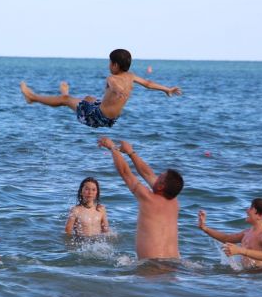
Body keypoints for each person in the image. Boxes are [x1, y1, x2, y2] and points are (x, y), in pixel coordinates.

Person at [20, 49, 181, 128]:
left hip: (98, 117)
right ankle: (67, 97)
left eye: (109, 62)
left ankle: (32, 98)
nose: (108, 65)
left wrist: (118, 90)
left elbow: (114, 85)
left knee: (66, 100)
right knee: (89, 98)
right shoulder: (131, 76)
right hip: (111, 118)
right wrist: (166, 89)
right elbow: (148, 83)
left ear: (115, 65)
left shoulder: (112, 78)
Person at [97, 136, 184, 259]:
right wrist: (131, 153)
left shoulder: (148, 198)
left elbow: (125, 172)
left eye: (160, 177)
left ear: (161, 186)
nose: (156, 176)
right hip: (175, 264)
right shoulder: (174, 202)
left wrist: (112, 147)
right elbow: (148, 173)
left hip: (152, 266)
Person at [198, 198, 262, 269]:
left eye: (251, 208)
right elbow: (226, 238)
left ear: (260, 215)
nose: (247, 210)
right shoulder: (247, 232)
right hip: (249, 271)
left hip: (260, 272)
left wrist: (240, 250)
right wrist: (205, 228)